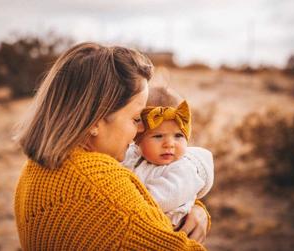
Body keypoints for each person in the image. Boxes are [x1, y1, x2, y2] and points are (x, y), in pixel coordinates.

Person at [14, 42, 211, 250]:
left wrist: (194, 208)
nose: (141, 129)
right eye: (136, 119)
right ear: (96, 120)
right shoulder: (105, 191)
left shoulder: (35, 169)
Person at [122, 86, 214, 228]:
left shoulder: (185, 169)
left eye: (178, 136)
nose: (169, 144)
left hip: (170, 230)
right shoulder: (129, 155)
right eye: (158, 136)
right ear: (138, 139)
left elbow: (164, 197)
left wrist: (122, 199)